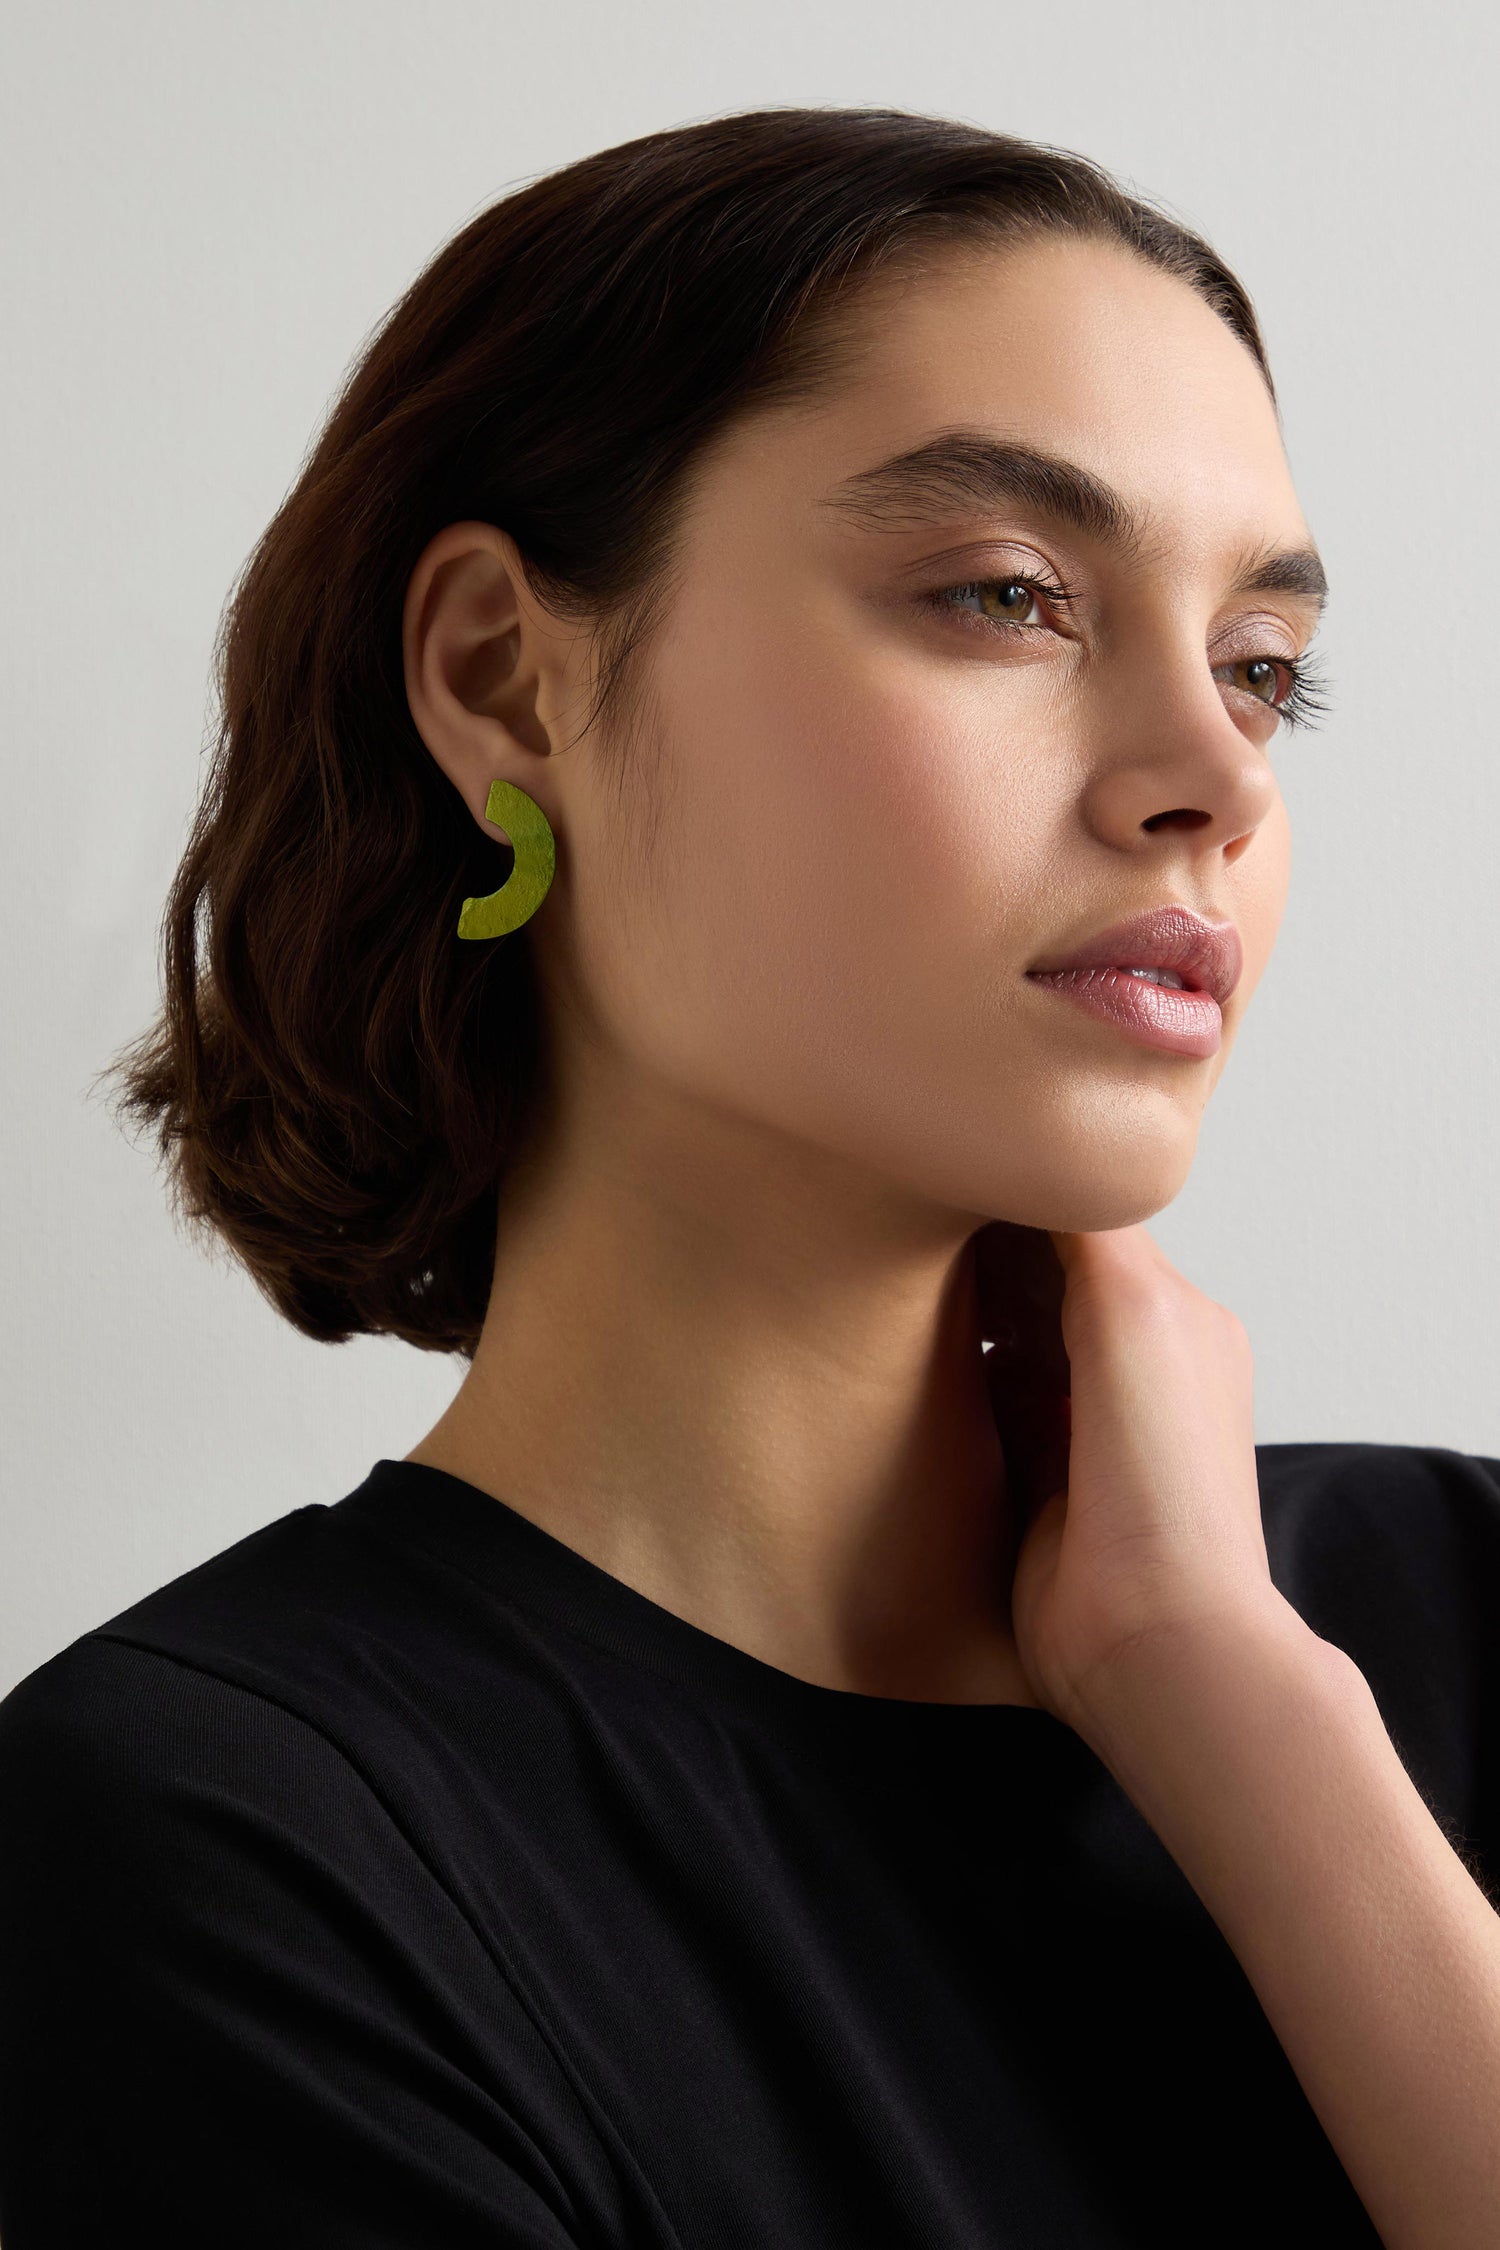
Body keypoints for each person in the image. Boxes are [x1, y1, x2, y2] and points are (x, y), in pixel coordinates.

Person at [1, 104, 1497, 2250]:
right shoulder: (237, 1838)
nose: (1213, 777)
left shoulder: (1450, 1603)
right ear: (502, 674)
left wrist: (1249, 1730)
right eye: (1011, 596)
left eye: (1265, 666)